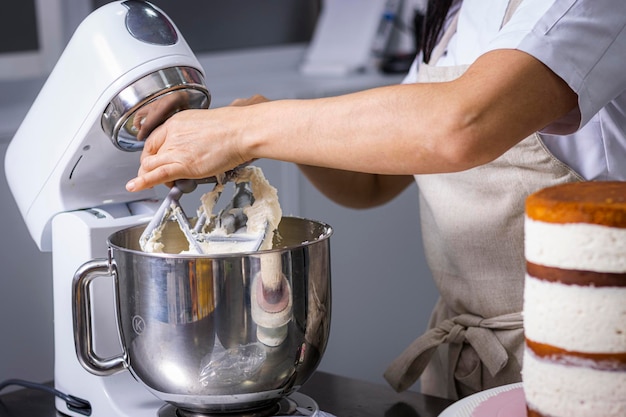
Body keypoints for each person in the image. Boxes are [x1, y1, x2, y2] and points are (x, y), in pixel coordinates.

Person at [125, 0, 626, 400]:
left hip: (587, 353)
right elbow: (373, 181)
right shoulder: (453, 15)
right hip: (469, 360)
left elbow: (462, 125)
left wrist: (246, 130)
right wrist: (272, 127)